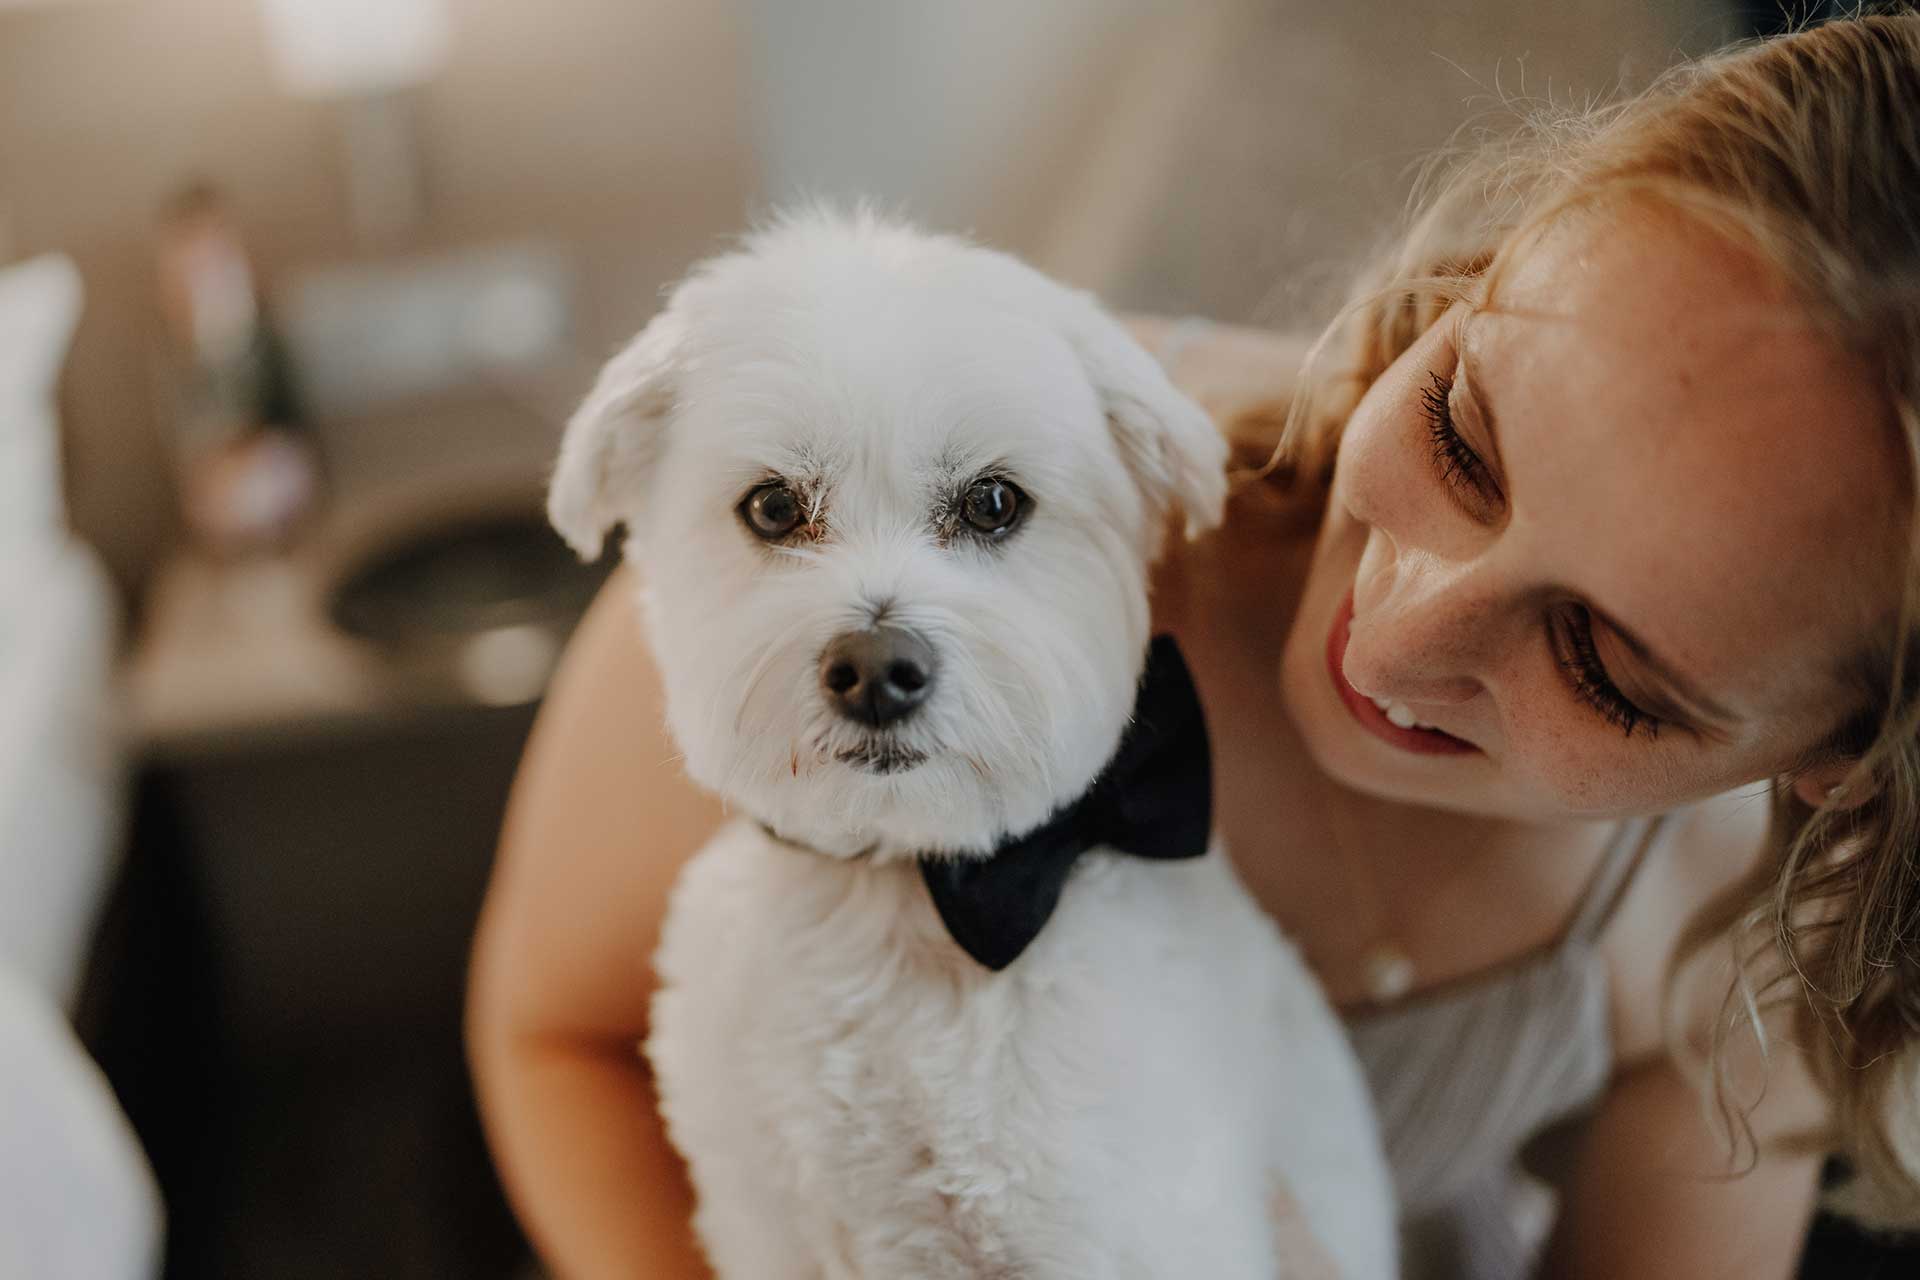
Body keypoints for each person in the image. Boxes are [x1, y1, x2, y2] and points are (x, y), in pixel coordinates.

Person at [466, 14, 1920, 1278]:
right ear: (1477, 276)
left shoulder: (1723, 919)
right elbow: (553, 1036)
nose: (1397, 637)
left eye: (1605, 670)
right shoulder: (974, 443)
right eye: (1461, 438)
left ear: (1836, 758)